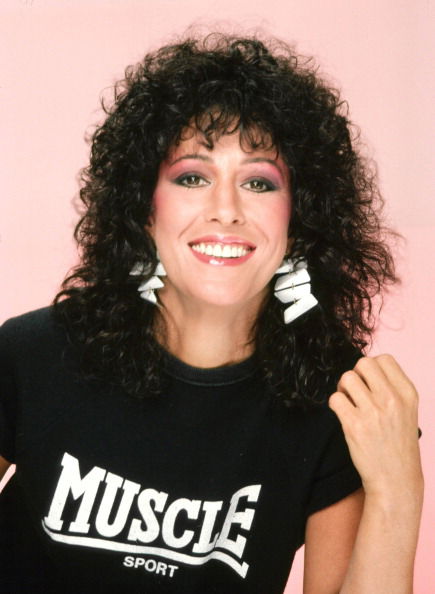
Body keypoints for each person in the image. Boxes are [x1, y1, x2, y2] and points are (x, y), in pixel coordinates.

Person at [0, 33, 423, 594]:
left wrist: (400, 493)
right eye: (192, 177)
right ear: (144, 207)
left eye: (258, 182)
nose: (226, 210)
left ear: (299, 218)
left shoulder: (338, 404)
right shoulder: (33, 355)